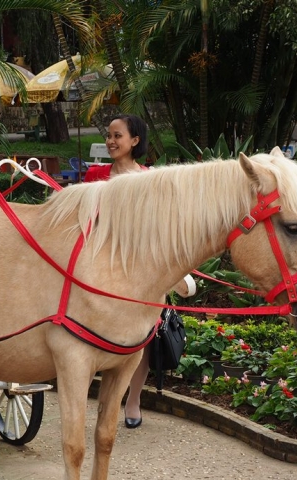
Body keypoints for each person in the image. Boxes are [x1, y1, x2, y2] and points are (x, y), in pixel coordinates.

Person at [83, 114, 195, 428]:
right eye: (108, 135)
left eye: (117, 135)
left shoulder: (148, 179)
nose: (110, 141)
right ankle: (97, 400)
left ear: (135, 141)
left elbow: (161, 227)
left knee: (144, 336)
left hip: (139, 270)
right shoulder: (94, 174)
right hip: (99, 267)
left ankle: (132, 400)